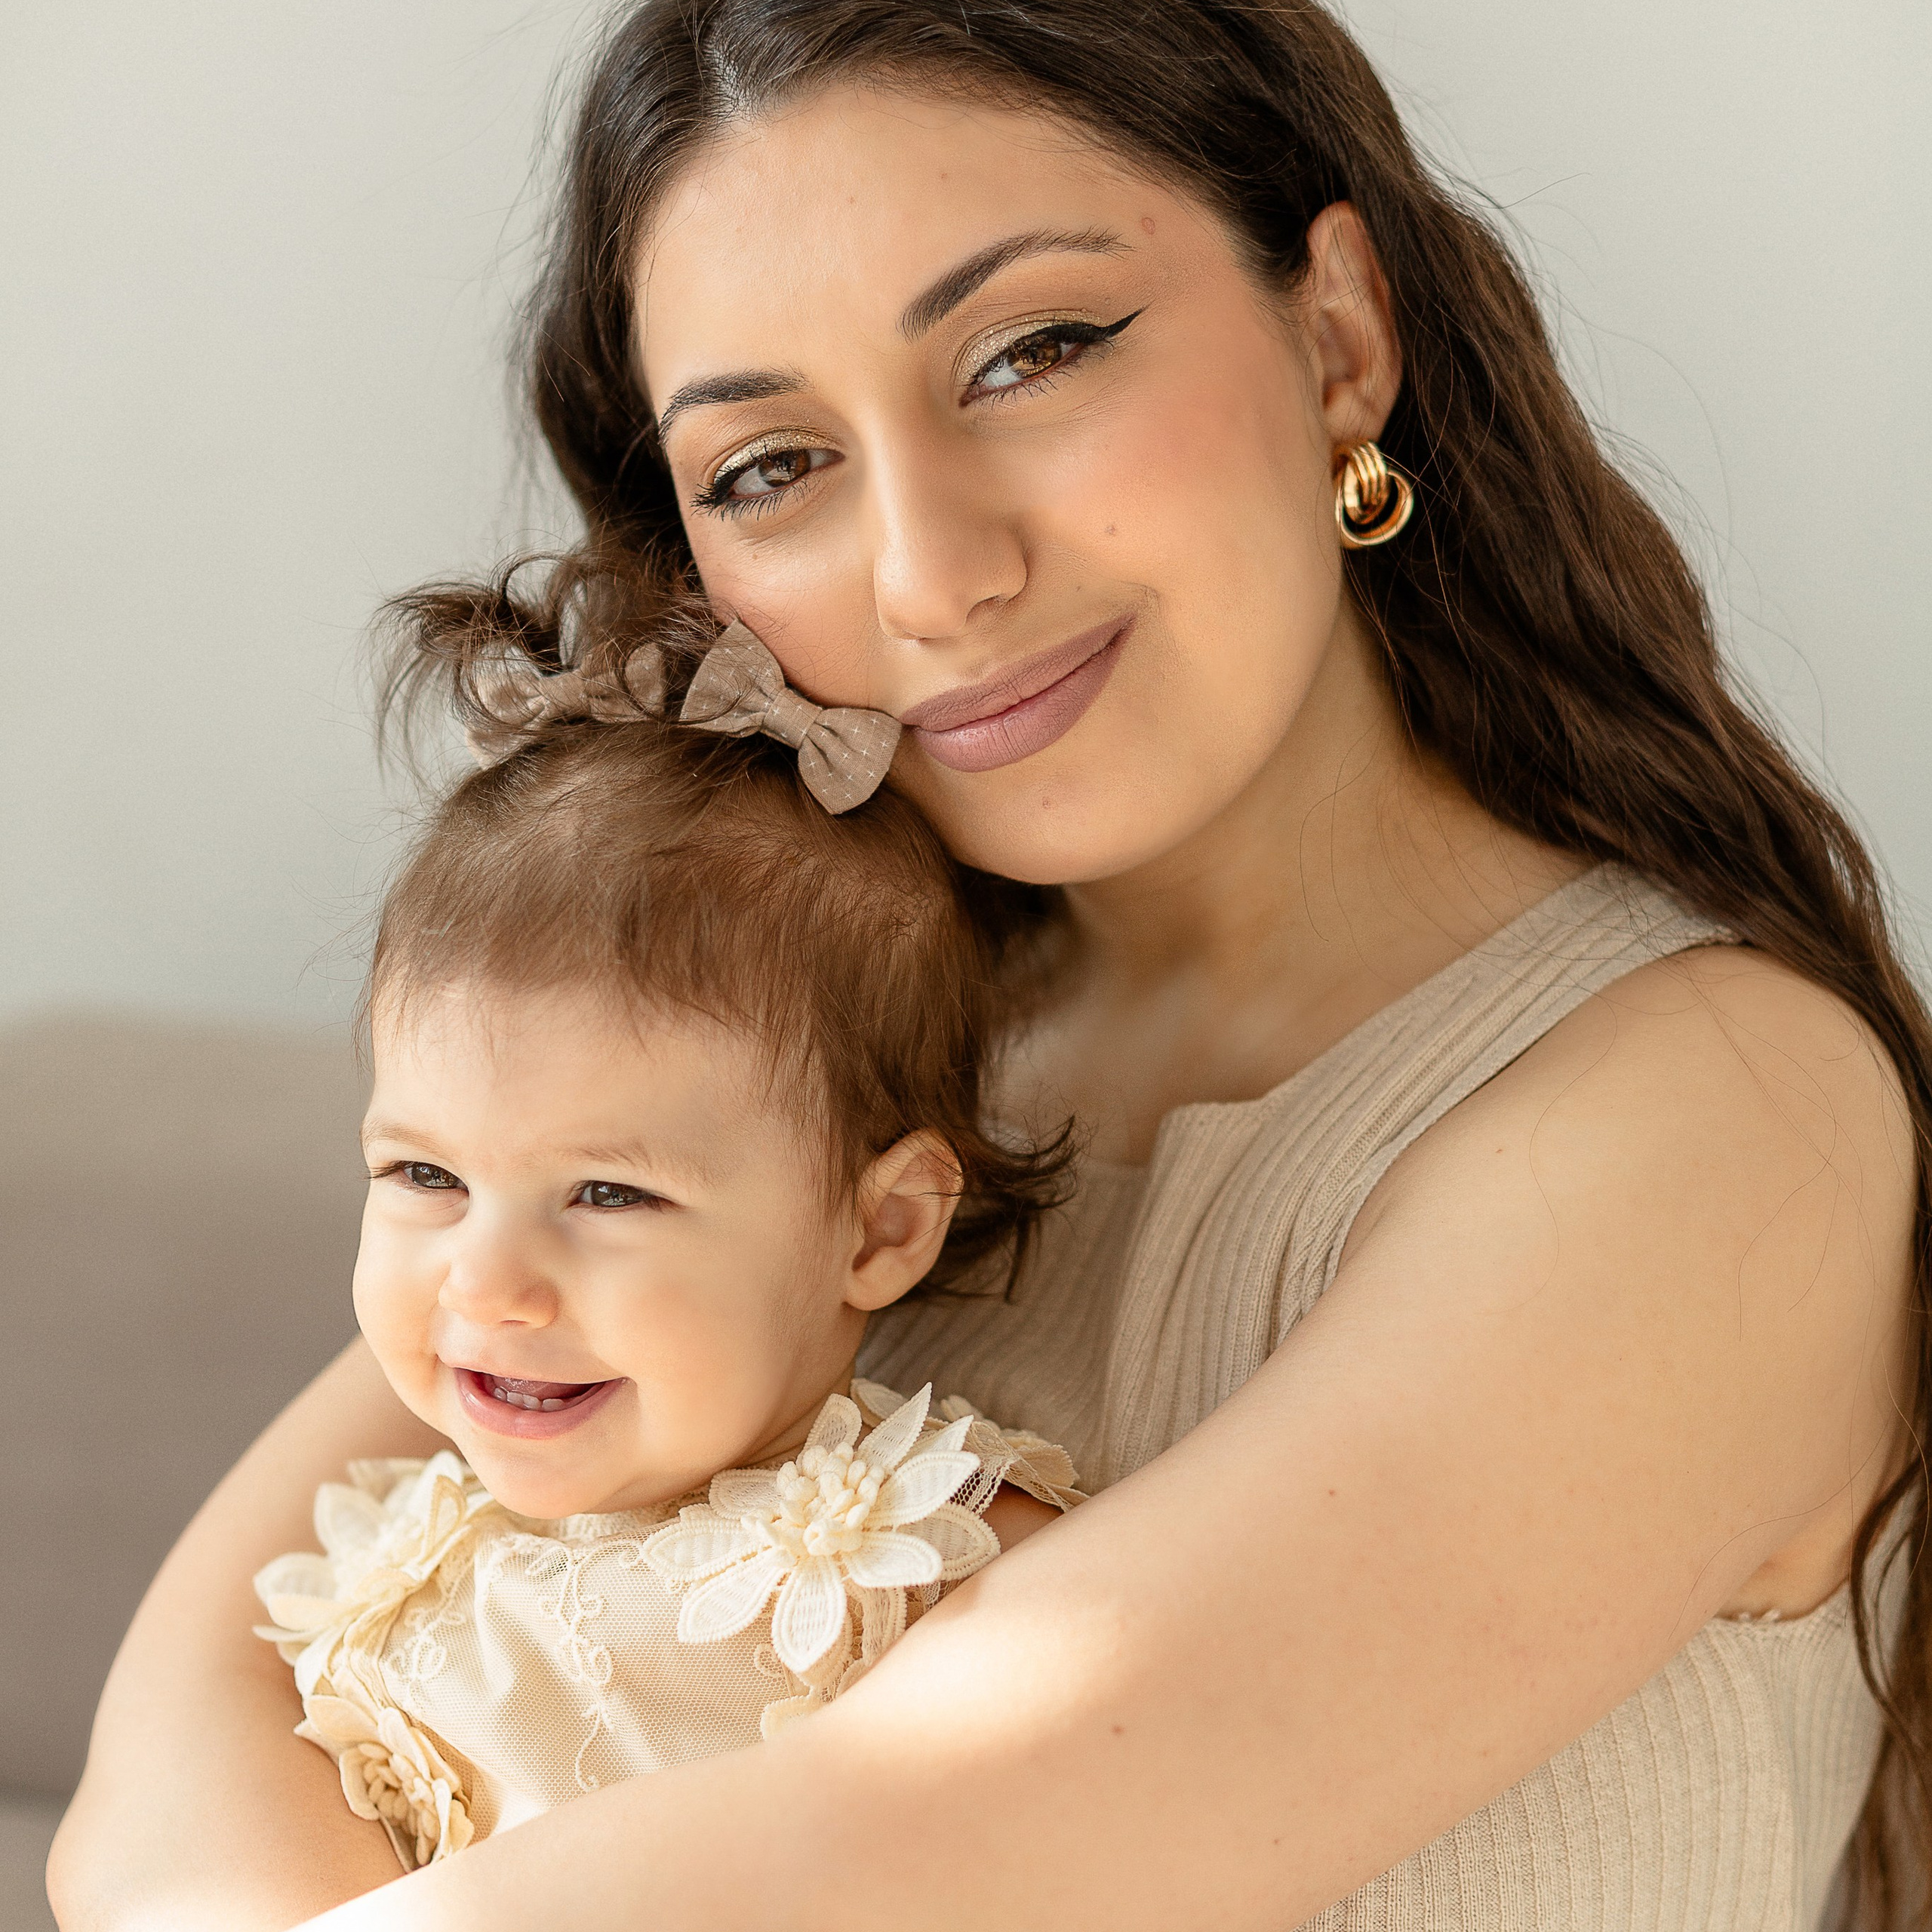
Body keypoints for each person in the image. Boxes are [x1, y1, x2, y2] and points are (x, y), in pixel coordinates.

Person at [51, 3, 1930, 1927]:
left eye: (1030, 352)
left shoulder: (1714, 1111)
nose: (929, 572)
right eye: (773, 464)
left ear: (1337, 334)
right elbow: (170, 1782)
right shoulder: (793, 1047)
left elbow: (919, 1850)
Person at [245, 577, 1079, 1872]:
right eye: (424, 1176)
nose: (490, 1283)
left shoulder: (931, 1560)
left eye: (610, 1194)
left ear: (881, 1232)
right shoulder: (398, 1546)